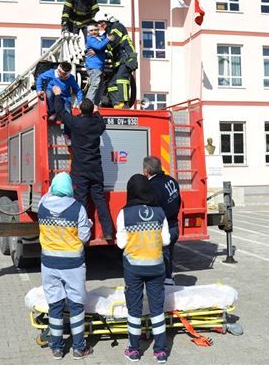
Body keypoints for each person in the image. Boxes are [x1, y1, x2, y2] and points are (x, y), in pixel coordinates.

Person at [38, 172, 93, 360]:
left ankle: (57, 348)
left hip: (49, 263)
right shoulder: (78, 209)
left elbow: (47, 195)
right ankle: (79, 348)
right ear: (70, 188)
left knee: (55, 305)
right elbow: (85, 237)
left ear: (53, 187)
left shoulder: (42, 206)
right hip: (73, 265)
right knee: (76, 305)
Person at [116, 174, 170, 363]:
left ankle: (134, 350)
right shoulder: (159, 211)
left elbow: (121, 244)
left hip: (134, 268)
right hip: (156, 266)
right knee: (157, 309)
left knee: (134, 309)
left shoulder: (125, 213)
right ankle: (161, 352)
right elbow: (166, 240)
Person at [52, 85, 114, 240]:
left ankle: (83, 234)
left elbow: (61, 111)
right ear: (91, 110)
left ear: (79, 109)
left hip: (80, 171)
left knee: (81, 202)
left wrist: (58, 95)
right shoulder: (97, 125)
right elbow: (102, 124)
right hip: (96, 170)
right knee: (100, 202)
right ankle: (107, 232)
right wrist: (97, 111)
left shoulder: (75, 123)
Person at [143, 156, 181, 286]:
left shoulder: (151, 186)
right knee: (169, 255)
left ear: (146, 171)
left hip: (163, 228)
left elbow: (151, 210)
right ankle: (169, 278)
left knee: (162, 259)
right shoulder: (172, 181)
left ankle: (167, 285)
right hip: (174, 226)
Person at [97, 15, 138, 109]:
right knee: (111, 83)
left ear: (108, 21)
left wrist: (99, 48)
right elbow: (112, 50)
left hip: (127, 59)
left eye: (102, 22)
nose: (100, 25)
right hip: (118, 62)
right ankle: (116, 104)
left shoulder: (117, 26)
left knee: (121, 79)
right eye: (99, 23)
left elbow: (113, 41)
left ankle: (123, 103)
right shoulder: (108, 32)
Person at [36, 62, 84, 140]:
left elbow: (77, 90)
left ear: (67, 74)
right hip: (52, 94)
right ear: (58, 69)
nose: (61, 75)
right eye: (60, 72)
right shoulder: (52, 72)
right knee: (48, 93)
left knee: (68, 113)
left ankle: (67, 135)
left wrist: (80, 101)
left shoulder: (71, 78)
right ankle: (53, 112)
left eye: (63, 74)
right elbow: (40, 78)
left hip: (64, 98)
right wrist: (39, 90)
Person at [84, 23, 111, 105]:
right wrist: (108, 39)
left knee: (100, 86)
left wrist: (106, 28)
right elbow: (99, 46)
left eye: (96, 30)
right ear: (88, 32)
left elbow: (103, 38)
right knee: (95, 84)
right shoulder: (90, 39)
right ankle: (88, 103)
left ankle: (96, 104)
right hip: (94, 66)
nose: (94, 32)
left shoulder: (99, 38)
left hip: (99, 67)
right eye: (91, 30)